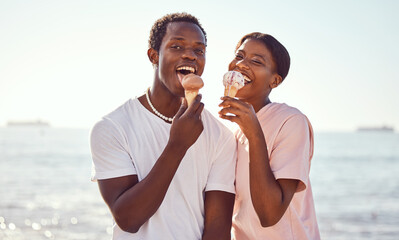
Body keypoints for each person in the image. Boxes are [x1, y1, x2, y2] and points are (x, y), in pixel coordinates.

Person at [90, 13, 236, 240]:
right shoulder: (112, 127)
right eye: (177, 46)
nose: (190, 55)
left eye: (199, 50)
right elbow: (128, 220)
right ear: (154, 56)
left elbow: (217, 228)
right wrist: (177, 146)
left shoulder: (221, 136)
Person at [219, 32, 320, 239]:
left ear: (274, 81)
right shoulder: (228, 131)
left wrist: (254, 133)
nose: (242, 64)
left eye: (256, 61)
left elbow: (269, 214)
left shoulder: (291, 121)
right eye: (239, 56)